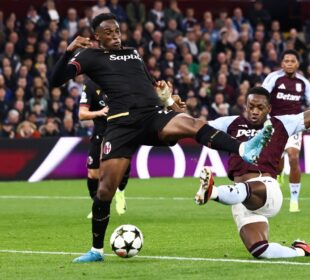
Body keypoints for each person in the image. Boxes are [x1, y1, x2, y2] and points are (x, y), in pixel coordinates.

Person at [49, 13, 272, 263]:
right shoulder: (89, 56)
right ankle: (96, 251)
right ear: (97, 36)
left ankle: (243, 149)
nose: (115, 36)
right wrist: (68, 50)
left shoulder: (133, 53)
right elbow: (54, 80)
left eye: (118, 31)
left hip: (151, 115)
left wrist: (168, 100)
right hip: (120, 124)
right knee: (105, 190)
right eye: (108, 32)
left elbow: (151, 86)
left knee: (192, 123)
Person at [194, 53, 310, 258]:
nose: (254, 111)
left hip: (267, 191)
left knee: (244, 189)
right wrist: (172, 106)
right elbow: (195, 127)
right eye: (250, 107)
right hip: (239, 198)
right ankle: (302, 251)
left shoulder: (282, 123)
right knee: (260, 251)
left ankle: (212, 192)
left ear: (269, 108)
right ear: (245, 106)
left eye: (260, 107)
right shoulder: (230, 123)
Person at [262, 49, 310, 212]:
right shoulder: (274, 78)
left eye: (292, 61)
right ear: (282, 64)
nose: (289, 64)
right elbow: (262, 96)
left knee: (293, 157)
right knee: (276, 161)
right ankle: (278, 174)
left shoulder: (303, 83)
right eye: (286, 61)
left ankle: (294, 200)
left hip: (294, 125)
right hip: (274, 125)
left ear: (297, 64)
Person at [78, 79, 130, 218]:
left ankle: (120, 192)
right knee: (93, 174)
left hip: (119, 132)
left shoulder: (120, 80)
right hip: (100, 132)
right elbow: (82, 115)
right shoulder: (90, 85)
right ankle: (97, 207)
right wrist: (99, 112)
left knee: (121, 167)